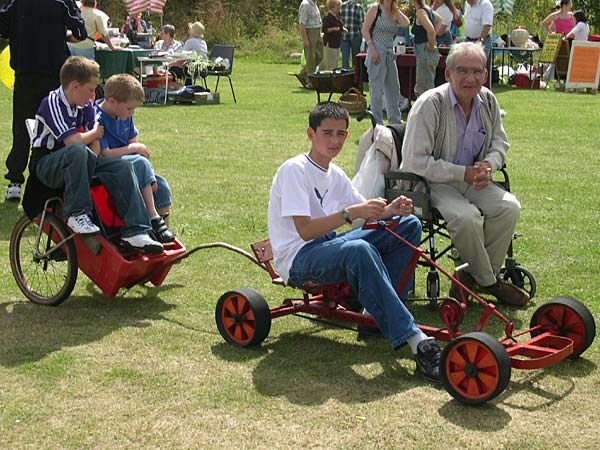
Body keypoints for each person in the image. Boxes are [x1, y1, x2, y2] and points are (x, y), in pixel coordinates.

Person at [268, 102, 441, 382]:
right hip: (298, 259)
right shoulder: (294, 170)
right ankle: (416, 340)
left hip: (325, 247)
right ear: (310, 134)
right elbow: (305, 230)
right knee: (358, 249)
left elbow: (364, 210)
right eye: (327, 133)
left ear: (347, 135)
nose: (334, 140)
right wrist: (349, 214)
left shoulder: (334, 174)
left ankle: (375, 314)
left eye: (340, 133)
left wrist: (390, 210)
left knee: (408, 224)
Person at [400, 42, 529, 307]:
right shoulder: (430, 104)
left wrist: (488, 165)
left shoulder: (488, 101)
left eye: (477, 71)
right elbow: (415, 161)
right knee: (466, 217)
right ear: (448, 74)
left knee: (509, 208)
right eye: (462, 71)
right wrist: (463, 173)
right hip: (431, 183)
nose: (471, 78)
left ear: (485, 73)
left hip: (472, 179)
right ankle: (490, 282)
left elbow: (500, 144)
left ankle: (468, 276)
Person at [24, 56, 164, 253]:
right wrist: (93, 134)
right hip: (48, 165)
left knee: (123, 166)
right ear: (74, 86)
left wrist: (93, 139)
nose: (93, 95)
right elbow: (73, 142)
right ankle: (77, 213)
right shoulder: (52, 102)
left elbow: (95, 147)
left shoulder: (87, 106)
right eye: (91, 89)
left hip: (83, 158)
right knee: (77, 150)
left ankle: (135, 232)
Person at [0, 0, 87, 202]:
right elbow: (80, 32)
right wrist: (59, 33)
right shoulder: (63, 2)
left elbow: (3, 26)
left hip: (25, 72)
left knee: (22, 129)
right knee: (55, 130)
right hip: (54, 74)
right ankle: (46, 181)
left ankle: (15, 181)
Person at [94, 74, 175, 243]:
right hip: (109, 168)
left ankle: (163, 233)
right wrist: (133, 148)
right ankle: (153, 219)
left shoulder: (125, 116)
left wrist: (149, 174)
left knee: (161, 186)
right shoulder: (98, 117)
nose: (132, 113)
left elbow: (136, 149)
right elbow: (105, 153)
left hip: (133, 166)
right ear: (111, 101)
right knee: (139, 161)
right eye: (129, 108)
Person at [362, 0, 410, 125]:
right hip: (376, 52)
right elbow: (365, 30)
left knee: (394, 90)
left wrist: (396, 9)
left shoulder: (394, 11)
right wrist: (372, 49)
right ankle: (377, 124)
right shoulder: (375, 8)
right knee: (376, 91)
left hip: (389, 54)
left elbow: (406, 23)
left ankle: (395, 123)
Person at [411, 0, 440, 97]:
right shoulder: (428, 9)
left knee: (423, 87)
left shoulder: (420, 12)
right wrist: (432, 39)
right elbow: (439, 20)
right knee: (427, 83)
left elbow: (430, 29)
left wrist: (431, 45)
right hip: (424, 51)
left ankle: (427, 110)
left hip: (424, 51)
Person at [296, 0, 323, 89]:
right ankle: (311, 82)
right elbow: (302, 23)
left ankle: (302, 74)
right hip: (310, 32)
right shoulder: (305, 4)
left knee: (320, 55)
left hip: (317, 31)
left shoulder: (314, 4)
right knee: (311, 59)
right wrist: (305, 39)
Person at [321, 0, 347, 70]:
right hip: (330, 43)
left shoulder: (338, 16)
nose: (339, 8)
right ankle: (328, 79)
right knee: (329, 64)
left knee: (334, 63)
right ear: (332, 7)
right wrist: (333, 29)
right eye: (338, 6)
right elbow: (324, 29)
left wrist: (343, 29)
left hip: (337, 43)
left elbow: (340, 26)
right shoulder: (327, 17)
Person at [340, 0, 364, 68]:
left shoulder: (342, 5)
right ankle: (355, 74)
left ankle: (345, 75)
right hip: (355, 35)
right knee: (356, 58)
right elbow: (361, 23)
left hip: (343, 35)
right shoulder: (358, 7)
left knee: (345, 58)